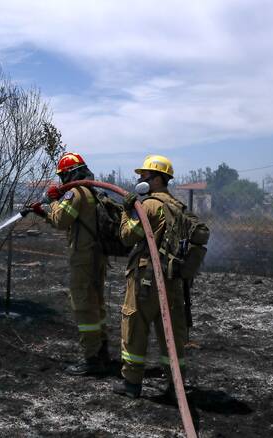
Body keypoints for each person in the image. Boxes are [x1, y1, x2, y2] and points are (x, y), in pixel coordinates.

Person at [28, 152, 109, 376]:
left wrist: (53, 202)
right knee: (96, 303)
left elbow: (61, 220)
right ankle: (102, 352)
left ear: (69, 174)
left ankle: (91, 359)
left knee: (83, 306)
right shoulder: (91, 191)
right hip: (96, 257)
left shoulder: (76, 192)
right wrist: (43, 211)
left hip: (83, 258)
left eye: (63, 176)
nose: (62, 181)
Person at [115, 155, 188, 398]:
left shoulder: (149, 206)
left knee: (135, 326)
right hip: (173, 280)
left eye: (144, 175)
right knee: (171, 334)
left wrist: (126, 211)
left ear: (157, 179)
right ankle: (175, 385)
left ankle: (132, 384)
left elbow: (127, 236)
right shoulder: (178, 207)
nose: (139, 179)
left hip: (146, 279)